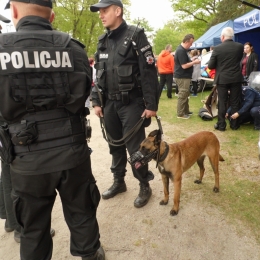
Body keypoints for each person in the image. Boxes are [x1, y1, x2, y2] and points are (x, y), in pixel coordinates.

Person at [0, 1, 104, 259]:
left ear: (14, 11)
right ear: (52, 16)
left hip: (26, 158)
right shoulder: (75, 50)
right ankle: (90, 254)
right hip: (72, 151)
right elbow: (83, 97)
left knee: (33, 230)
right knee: (82, 212)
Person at [90, 0, 159, 208]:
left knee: (135, 149)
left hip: (131, 104)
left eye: (105, 11)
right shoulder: (102, 40)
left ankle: (144, 184)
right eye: (99, 12)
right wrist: (96, 100)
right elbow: (98, 74)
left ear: (117, 11)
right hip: (109, 104)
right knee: (114, 145)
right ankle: (119, 182)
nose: (101, 15)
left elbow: (148, 72)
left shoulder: (135, 35)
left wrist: (151, 105)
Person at [208, 27, 244, 131]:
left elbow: (210, 65)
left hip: (222, 78)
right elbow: (238, 59)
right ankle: (234, 124)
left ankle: (221, 125)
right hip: (236, 78)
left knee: (222, 102)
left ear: (223, 37)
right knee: (235, 102)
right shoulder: (240, 47)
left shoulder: (218, 48)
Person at [174, 34, 201, 119]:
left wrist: (192, 60)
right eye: (191, 43)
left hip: (184, 76)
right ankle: (180, 113)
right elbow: (184, 66)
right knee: (183, 94)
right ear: (186, 42)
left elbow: (185, 62)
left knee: (186, 93)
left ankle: (185, 111)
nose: (191, 45)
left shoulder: (183, 50)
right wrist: (194, 62)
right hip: (182, 76)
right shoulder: (181, 51)